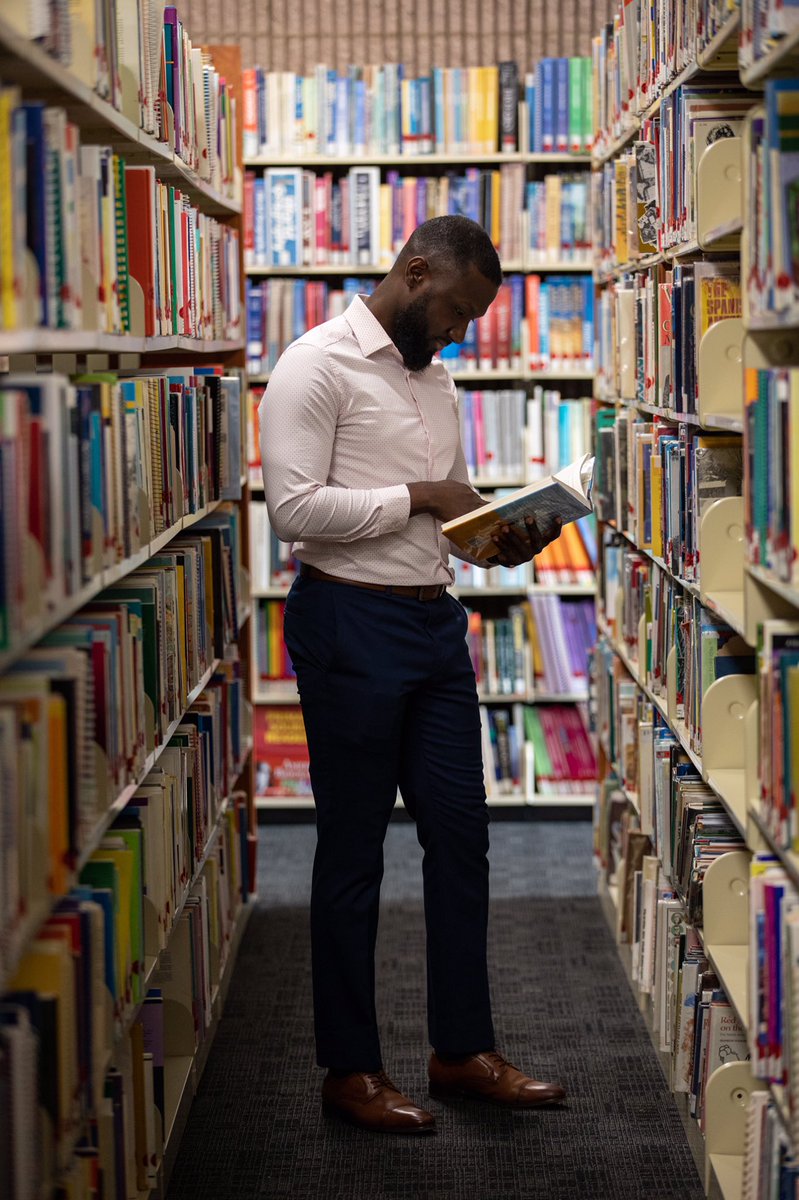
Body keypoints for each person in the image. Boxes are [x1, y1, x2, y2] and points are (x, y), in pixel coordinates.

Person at [259, 215, 566, 1135]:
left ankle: (460, 1049)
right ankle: (349, 1070)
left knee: (461, 841)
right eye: (456, 310)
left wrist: (501, 537)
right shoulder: (314, 365)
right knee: (353, 851)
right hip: (347, 624)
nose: (461, 331)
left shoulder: (439, 380)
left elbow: (442, 521)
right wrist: (428, 497)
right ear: (415, 271)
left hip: (435, 625)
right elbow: (294, 510)